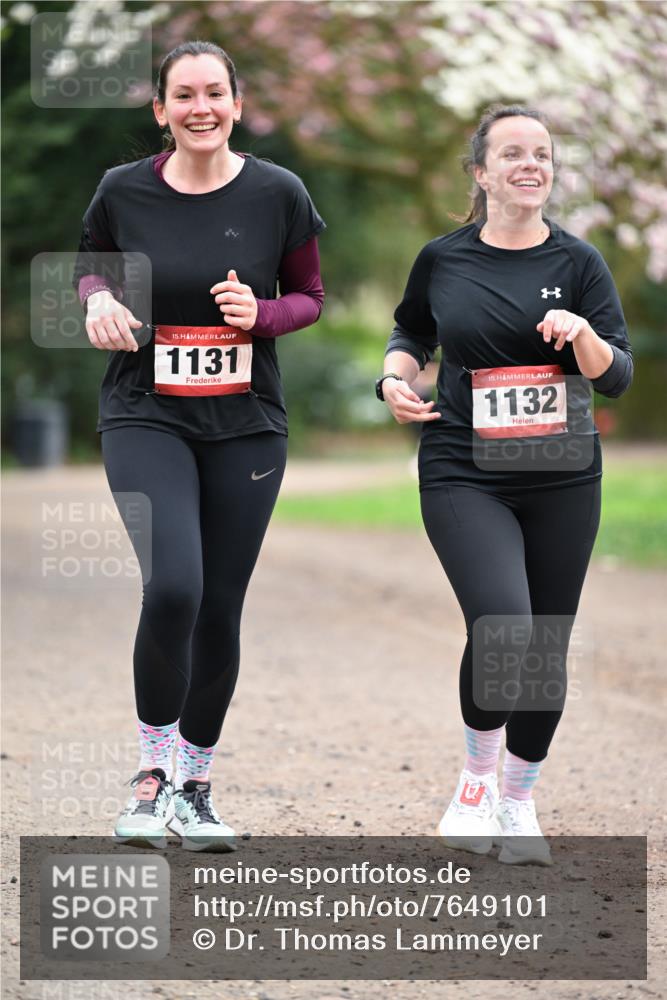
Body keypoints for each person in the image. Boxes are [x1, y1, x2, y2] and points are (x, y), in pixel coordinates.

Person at [74, 41, 325, 851]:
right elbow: (88, 266)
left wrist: (263, 314)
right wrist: (97, 301)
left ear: (237, 103)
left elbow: (310, 297)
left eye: (214, 92)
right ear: (161, 111)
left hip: (245, 422)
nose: (200, 108)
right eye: (183, 95)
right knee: (175, 585)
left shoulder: (278, 192)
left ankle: (195, 782)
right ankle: (150, 777)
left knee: (220, 605)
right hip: (145, 410)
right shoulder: (122, 191)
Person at [378, 105, 632, 865]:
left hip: (561, 474)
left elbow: (615, 375)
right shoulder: (443, 257)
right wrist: (392, 379)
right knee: (504, 627)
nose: (530, 165)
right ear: (481, 172)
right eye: (512, 153)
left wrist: (583, 336)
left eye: (542, 154)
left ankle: (518, 801)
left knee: (545, 644)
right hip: (463, 467)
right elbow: (409, 333)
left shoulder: (580, 264)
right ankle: (474, 785)